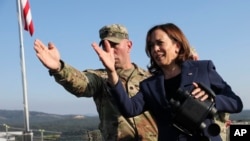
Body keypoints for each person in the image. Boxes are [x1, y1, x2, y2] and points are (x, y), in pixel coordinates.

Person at [92, 23, 243, 141]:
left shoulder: (203, 68)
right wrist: (112, 72)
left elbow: (236, 103)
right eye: (151, 46)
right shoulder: (149, 84)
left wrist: (213, 101)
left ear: (177, 46)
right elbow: (129, 109)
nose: (155, 49)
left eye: (160, 43)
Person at [34, 24, 159, 141]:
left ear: (129, 45)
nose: (109, 50)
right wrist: (59, 68)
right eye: (105, 46)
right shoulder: (101, 78)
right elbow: (82, 83)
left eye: (114, 44)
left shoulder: (149, 78)